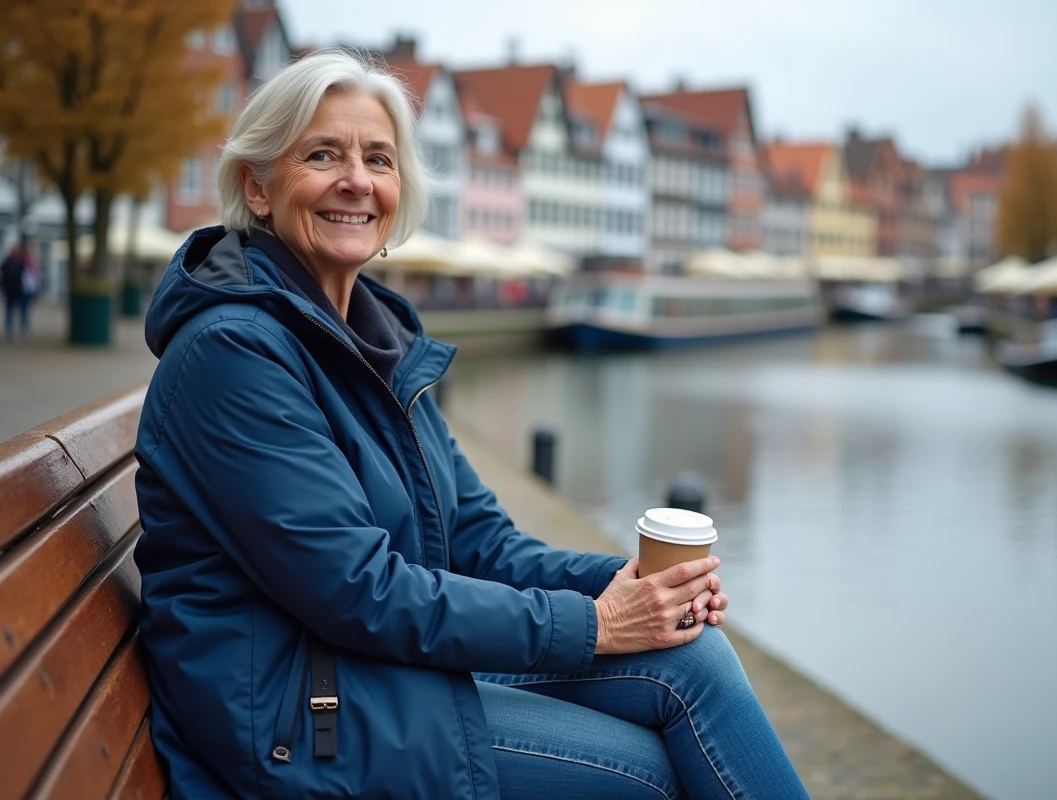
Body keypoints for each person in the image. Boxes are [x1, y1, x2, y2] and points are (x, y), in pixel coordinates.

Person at [134, 50, 809, 800]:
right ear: (257, 186)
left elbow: (481, 542)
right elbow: (357, 589)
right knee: (642, 775)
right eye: (322, 154)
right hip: (300, 712)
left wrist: (633, 586)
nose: (357, 180)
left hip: (371, 662)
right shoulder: (235, 353)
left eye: (378, 158)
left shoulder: (372, 342)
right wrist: (594, 626)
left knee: (694, 658)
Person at [1, 244, 34, 340]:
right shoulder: (7, 263)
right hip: (10, 291)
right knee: (10, 311)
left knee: (22, 311)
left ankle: (23, 329)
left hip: (19, 291)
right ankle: (9, 330)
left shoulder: (21, 263)